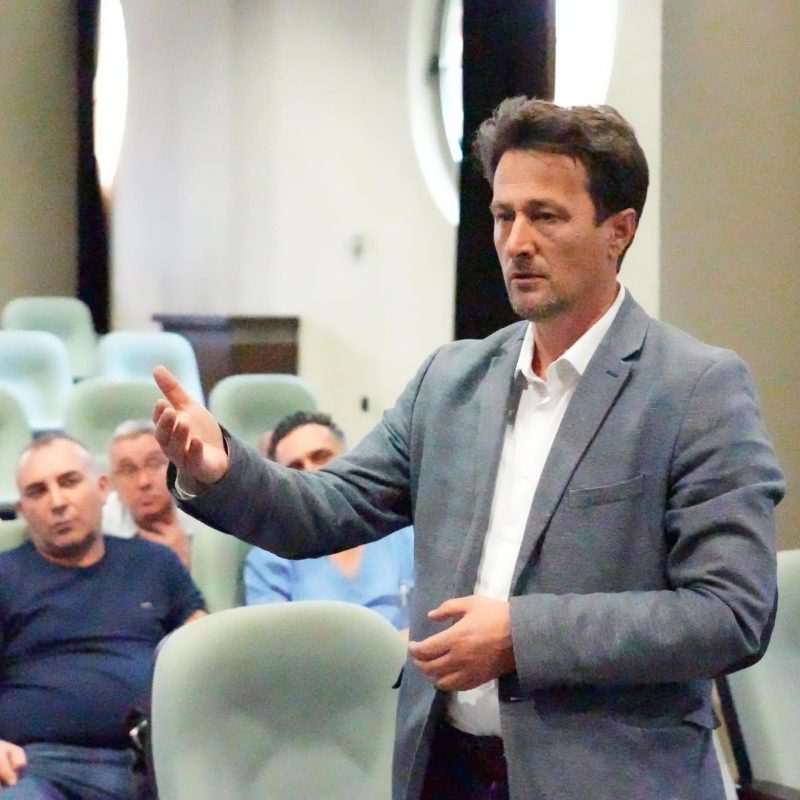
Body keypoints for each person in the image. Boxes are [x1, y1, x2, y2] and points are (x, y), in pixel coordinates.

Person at [152, 97, 785, 800]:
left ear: (619, 231)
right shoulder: (452, 380)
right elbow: (327, 509)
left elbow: (730, 613)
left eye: (545, 216)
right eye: (503, 216)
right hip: (447, 771)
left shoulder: (694, 389)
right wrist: (220, 468)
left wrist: (522, 635)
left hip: (609, 779)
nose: (517, 242)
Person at [0, 434, 206, 798]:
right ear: (22, 509)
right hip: (37, 768)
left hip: (155, 761)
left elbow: (205, 653)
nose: (57, 502)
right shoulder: (5, 575)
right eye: (37, 492)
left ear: (102, 488)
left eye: (69, 481)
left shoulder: (155, 563)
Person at [244, 411, 414, 633]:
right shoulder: (269, 559)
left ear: (350, 459)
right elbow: (276, 644)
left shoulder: (402, 531)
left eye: (321, 456)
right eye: (295, 467)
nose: (311, 471)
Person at [104, 419, 196, 568]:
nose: (144, 482)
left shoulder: (208, 520)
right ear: (113, 484)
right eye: (129, 470)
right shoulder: (101, 530)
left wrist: (185, 561)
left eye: (154, 464)